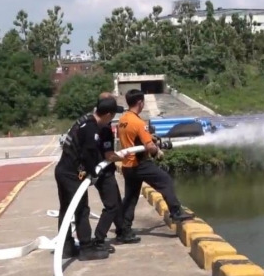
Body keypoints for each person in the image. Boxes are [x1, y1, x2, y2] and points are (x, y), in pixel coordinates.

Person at [117, 89, 194, 238]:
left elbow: (134, 138)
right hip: (140, 163)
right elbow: (149, 146)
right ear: (140, 102)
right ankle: (176, 212)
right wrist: (157, 151)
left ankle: (123, 230)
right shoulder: (139, 122)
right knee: (165, 181)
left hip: (127, 165)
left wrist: (149, 138)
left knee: (130, 198)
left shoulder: (123, 119)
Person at [55, 97, 120, 261]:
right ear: (107, 115)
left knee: (66, 209)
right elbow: (88, 154)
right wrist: (93, 173)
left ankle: (66, 246)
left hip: (63, 170)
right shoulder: (91, 129)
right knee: (81, 210)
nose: (111, 120)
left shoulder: (85, 120)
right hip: (71, 174)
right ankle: (86, 248)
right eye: (112, 116)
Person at [92, 92, 141, 250]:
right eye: (112, 112)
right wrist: (126, 157)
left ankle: (122, 231)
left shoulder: (93, 124)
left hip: (100, 170)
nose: (114, 116)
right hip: (103, 172)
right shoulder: (105, 129)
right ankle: (99, 239)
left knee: (117, 202)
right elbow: (109, 155)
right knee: (112, 205)